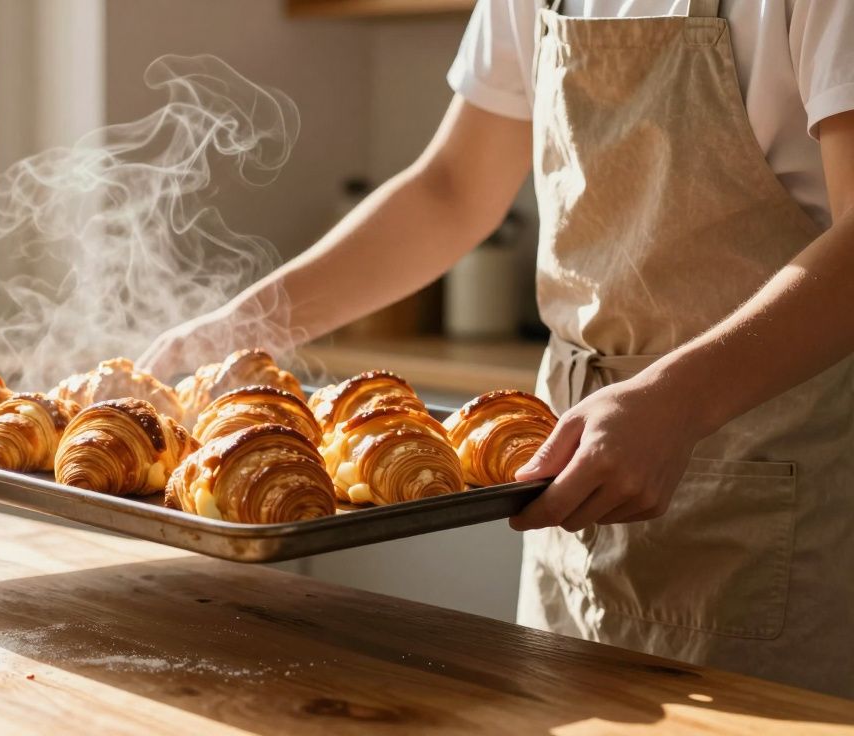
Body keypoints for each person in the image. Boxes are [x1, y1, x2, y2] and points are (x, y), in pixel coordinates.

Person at [139, 0, 854, 698]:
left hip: (774, 487)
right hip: (568, 476)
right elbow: (452, 189)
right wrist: (247, 324)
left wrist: (676, 400)